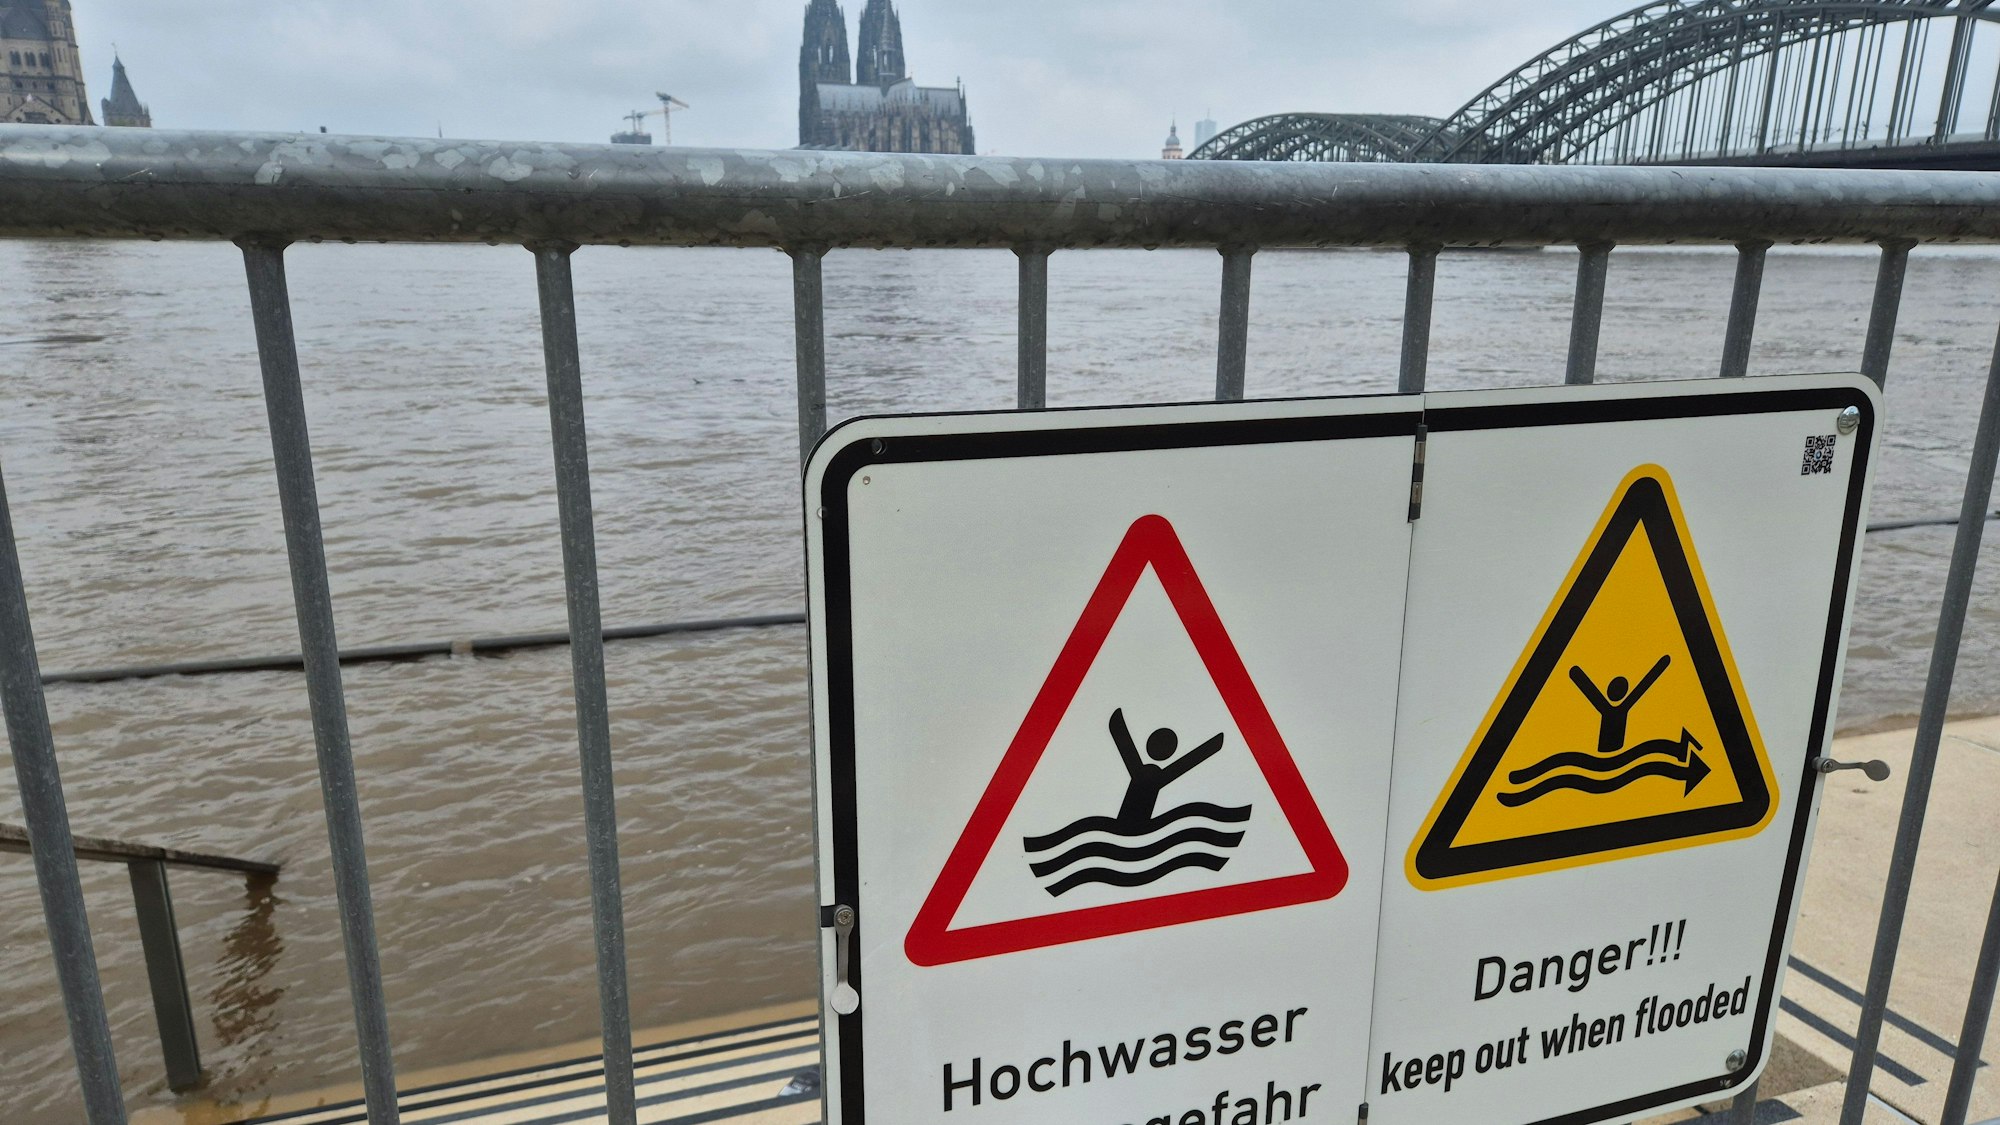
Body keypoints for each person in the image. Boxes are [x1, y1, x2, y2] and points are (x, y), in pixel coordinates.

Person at [1108, 708, 1224, 828]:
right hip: (1131, 827)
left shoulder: (1148, 772)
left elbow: (1184, 764)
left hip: (1133, 827)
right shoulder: (1146, 772)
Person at [1568, 655, 1671, 756]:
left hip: (1611, 755)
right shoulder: (1615, 707)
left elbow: (1645, 683)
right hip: (1605, 755)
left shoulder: (1614, 707)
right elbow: (1645, 684)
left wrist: (1575, 673)